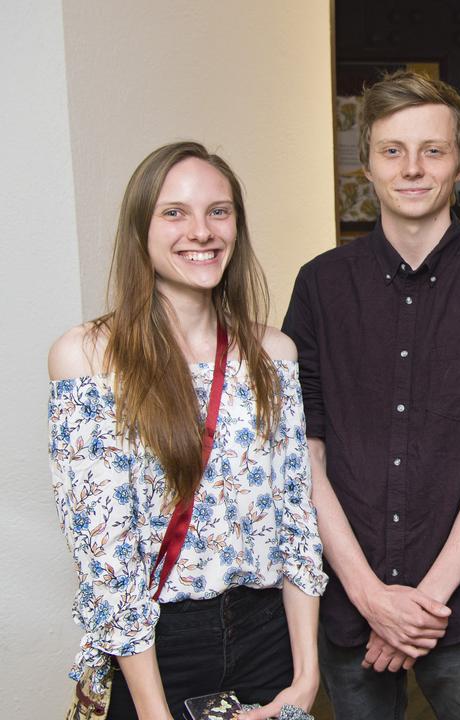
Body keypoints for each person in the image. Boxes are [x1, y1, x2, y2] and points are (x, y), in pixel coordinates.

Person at [281, 70, 460, 719]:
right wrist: (372, 597)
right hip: (347, 598)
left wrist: (419, 607)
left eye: (433, 150)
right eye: (392, 150)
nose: (413, 168)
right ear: (366, 162)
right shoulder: (319, 286)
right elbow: (300, 454)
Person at [48, 141, 327, 720]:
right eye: (174, 212)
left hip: (267, 638)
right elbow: (107, 561)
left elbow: (296, 524)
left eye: (217, 211)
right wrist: (153, 712)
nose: (200, 231)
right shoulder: (90, 358)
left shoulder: (272, 353)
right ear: (140, 230)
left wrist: (305, 677)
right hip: (155, 652)